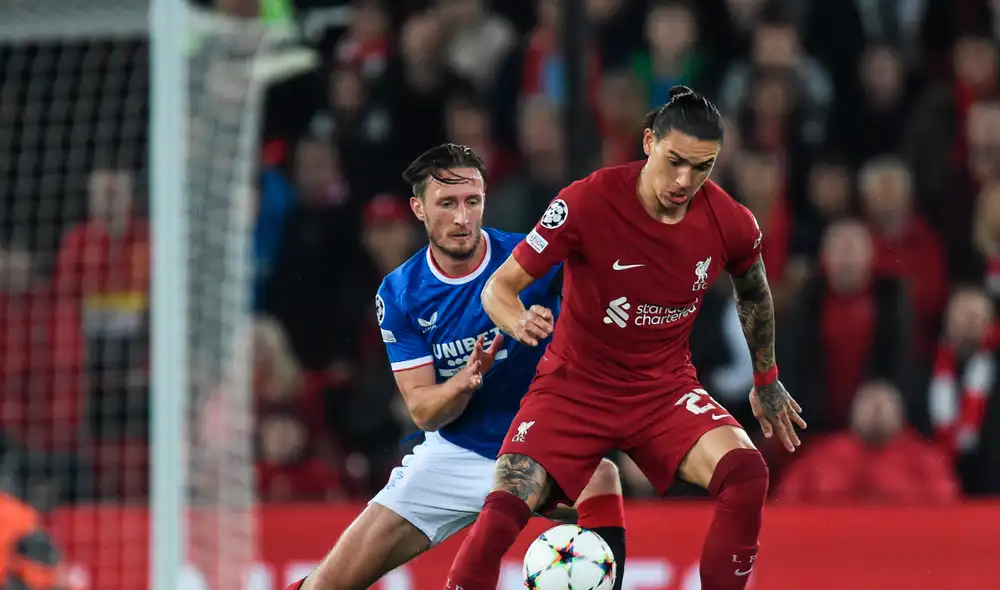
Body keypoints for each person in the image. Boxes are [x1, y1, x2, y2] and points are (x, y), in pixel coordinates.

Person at [442, 86, 807, 590]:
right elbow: (499, 288)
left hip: (663, 390)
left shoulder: (730, 221)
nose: (685, 181)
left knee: (746, 475)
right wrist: (518, 319)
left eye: (702, 167)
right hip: (575, 388)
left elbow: (754, 291)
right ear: (648, 141)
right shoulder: (586, 202)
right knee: (504, 509)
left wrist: (766, 377)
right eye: (675, 161)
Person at [288, 144, 628, 590]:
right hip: (455, 454)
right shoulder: (400, 293)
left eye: (472, 202)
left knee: (602, 475)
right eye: (447, 204)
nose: (463, 218)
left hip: (537, 447)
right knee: (327, 584)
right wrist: (464, 383)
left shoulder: (531, 260)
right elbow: (424, 411)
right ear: (419, 208)